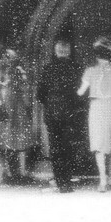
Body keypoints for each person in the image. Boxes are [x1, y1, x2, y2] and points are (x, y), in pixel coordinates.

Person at [77, 37, 111, 192]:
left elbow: (81, 92)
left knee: (99, 143)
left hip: (97, 107)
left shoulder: (90, 71)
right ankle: (110, 178)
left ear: (96, 55)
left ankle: (103, 180)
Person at [37, 40, 81, 193]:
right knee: (67, 147)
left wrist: (50, 102)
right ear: (68, 52)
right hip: (70, 113)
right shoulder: (76, 68)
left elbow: (40, 94)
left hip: (52, 113)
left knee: (55, 147)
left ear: (56, 52)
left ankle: (59, 181)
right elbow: (80, 93)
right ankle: (67, 182)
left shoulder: (47, 68)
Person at [0, 47, 33, 183]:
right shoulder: (1, 71)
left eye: (13, 56)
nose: (11, 59)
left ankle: (22, 172)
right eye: (9, 56)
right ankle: (8, 172)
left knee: (21, 138)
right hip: (7, 105)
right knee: (7, 137)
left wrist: (27, 105)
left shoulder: (20, 70)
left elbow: (26, 87)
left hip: (19, 106)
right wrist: (0, 104)